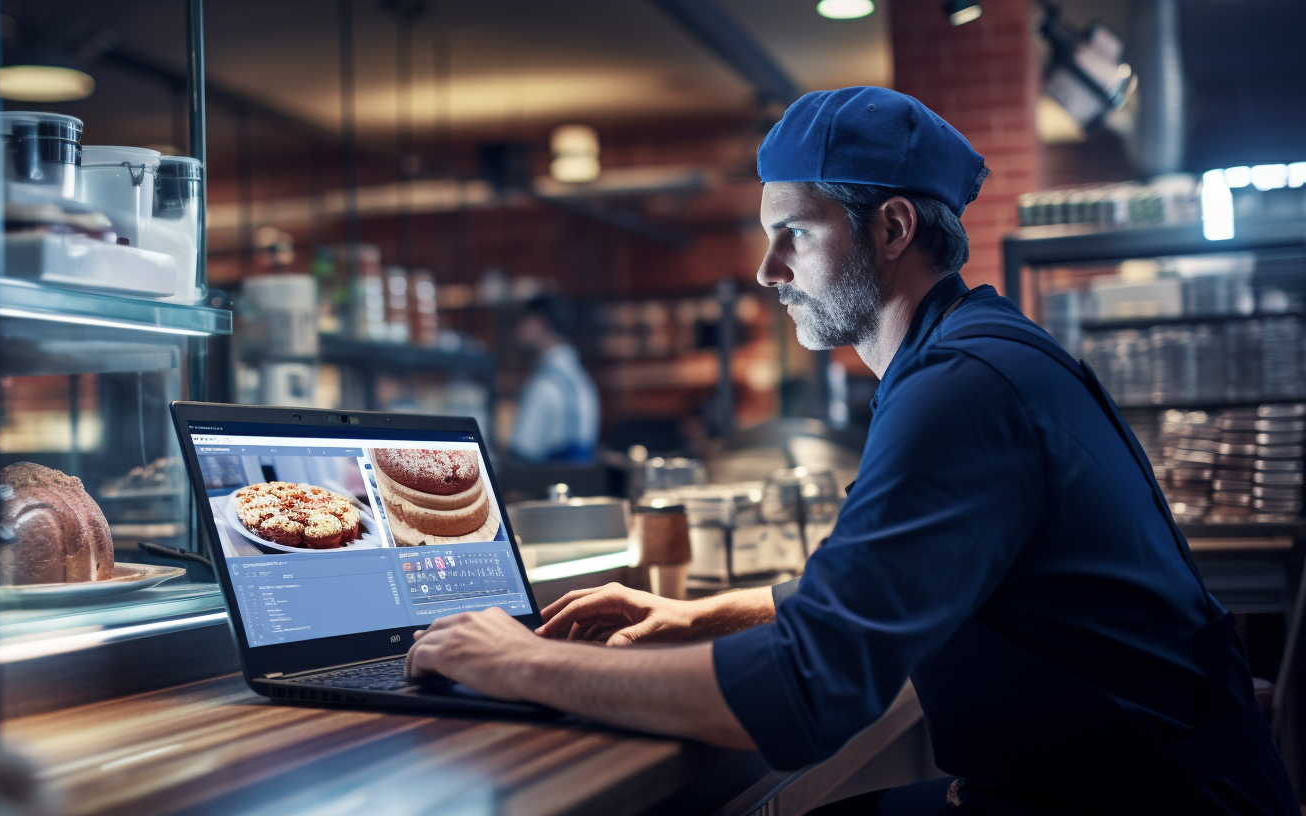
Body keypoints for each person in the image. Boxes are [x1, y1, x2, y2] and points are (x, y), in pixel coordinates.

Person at [405, 88, 1297, 815]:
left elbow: (808, 685)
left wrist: (512, 661)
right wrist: (698, 614)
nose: (767, 271)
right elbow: (907, 579)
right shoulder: (972, 350)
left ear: (894, 229)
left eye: (793, 232)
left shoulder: (958, 390)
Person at [507, 294, 600, 463]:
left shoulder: (544, 384)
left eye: (520, 322)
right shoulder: (583, 380)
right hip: (579, 486)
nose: (517, 331)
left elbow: (521, 455)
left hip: (545, 485)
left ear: (538, 323)